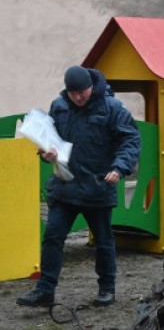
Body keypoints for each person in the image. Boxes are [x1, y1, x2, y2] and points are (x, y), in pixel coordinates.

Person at [17, 66, 141, 308]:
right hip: (65, 185)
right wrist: (46, 153)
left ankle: (107, 288)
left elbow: (131, 139)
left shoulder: (112, 108)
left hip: (97, 185)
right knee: (52, 237)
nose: (77, 97)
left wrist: (119, 167)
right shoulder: (59, 106)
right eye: (73, 93)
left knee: (103, 240)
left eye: (82, 92)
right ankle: (45, 290)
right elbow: (49, 138)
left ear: (91, 86)